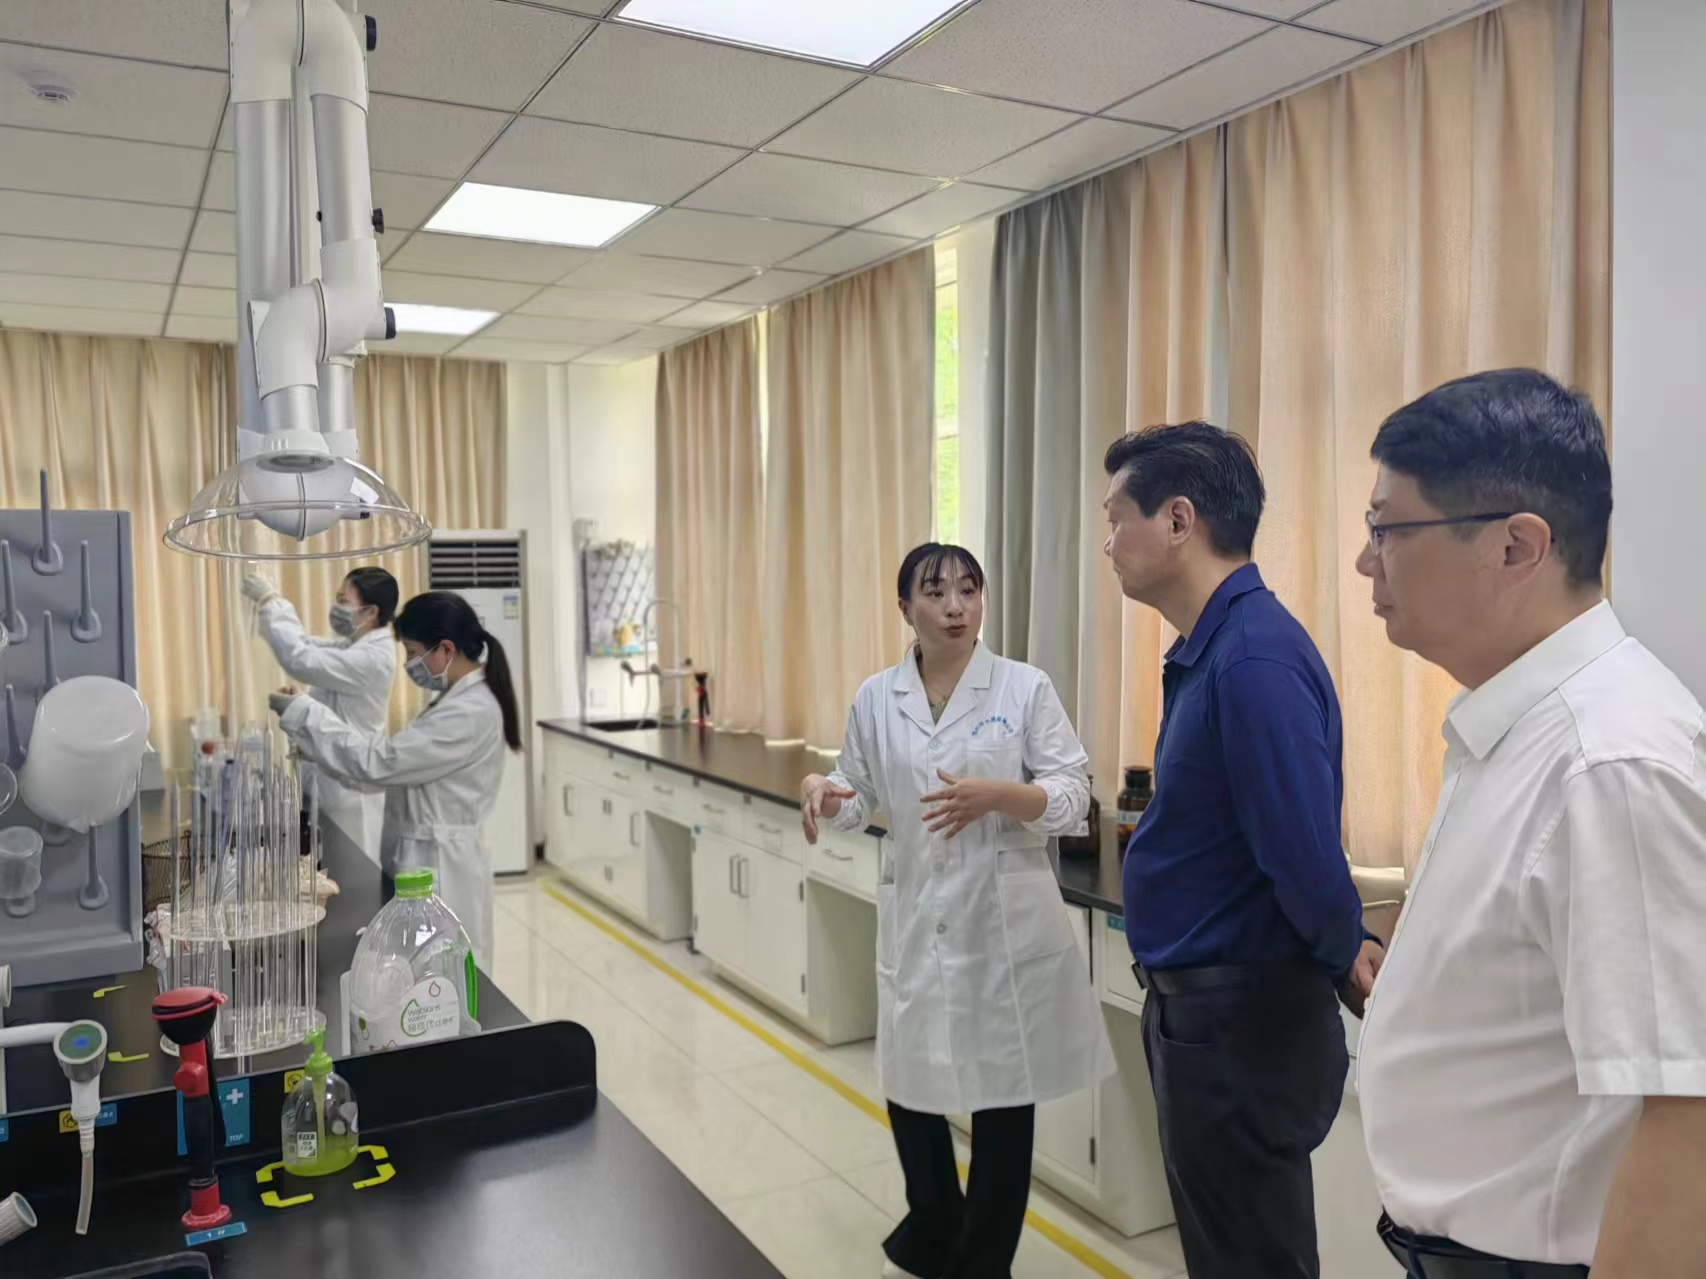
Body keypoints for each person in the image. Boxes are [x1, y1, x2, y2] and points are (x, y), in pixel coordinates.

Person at [1354, 369, 1706, 1278]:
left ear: (1516, 546)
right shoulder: (1517, 725)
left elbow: (1687, 1114)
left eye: (1388, 530)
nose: (1365, 562)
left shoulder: (1608, 762)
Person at [1100, 422, 1381, 1279]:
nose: (1108, 543)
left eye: (1116, 518)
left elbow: (1302, 854)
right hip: (1208, 1024)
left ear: (1178, 520)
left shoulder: (1252, 658)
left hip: (1239, 1033)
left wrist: (1345, 945)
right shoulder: (1216, 646)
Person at [800, 543, 1110, 1279]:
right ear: (904, 607)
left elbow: (1074, 796)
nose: (955, 607)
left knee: (1003, 1099)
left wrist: (999, 796)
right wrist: (826, 792)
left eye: (969, 590)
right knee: (910, 1085)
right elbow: (859, 791)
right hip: (918, 914)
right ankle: (935, 1223)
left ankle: (982, 1261)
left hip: (1003, 925)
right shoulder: (879, 696)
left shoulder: (1023, 688)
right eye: (935, 592)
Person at [268, 590, 521, 971]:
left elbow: (381, 763)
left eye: (414, 652)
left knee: (439, 975)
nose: (409, 664)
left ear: (446, 649)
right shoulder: (457, 701)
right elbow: (390, 766)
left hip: (439, 865)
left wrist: (305, 714)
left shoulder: (468, 713)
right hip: (425, 854)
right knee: (421, 974)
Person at [243, 566, 398, 864]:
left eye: (344, 601)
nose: (336, 607)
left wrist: (271, 602)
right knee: (327, 876)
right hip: (333, 781)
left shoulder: (373, 657)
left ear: (370, 612)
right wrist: (300, 701)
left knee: (352, 879)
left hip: (351, 791)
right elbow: (307, 646)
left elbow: (300, 659)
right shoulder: (355, 646)